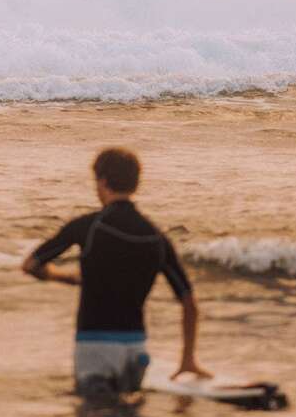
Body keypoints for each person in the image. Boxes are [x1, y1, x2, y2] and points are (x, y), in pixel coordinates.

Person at [22, 147, 211, 396]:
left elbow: (32, 264)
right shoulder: (155, 236)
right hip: (136, 348)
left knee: (94, 414)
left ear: (102, 181)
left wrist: (65, 277)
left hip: (94, 347)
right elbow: (189, 301)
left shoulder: (88, 227)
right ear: (135, 183)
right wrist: (188, 359)